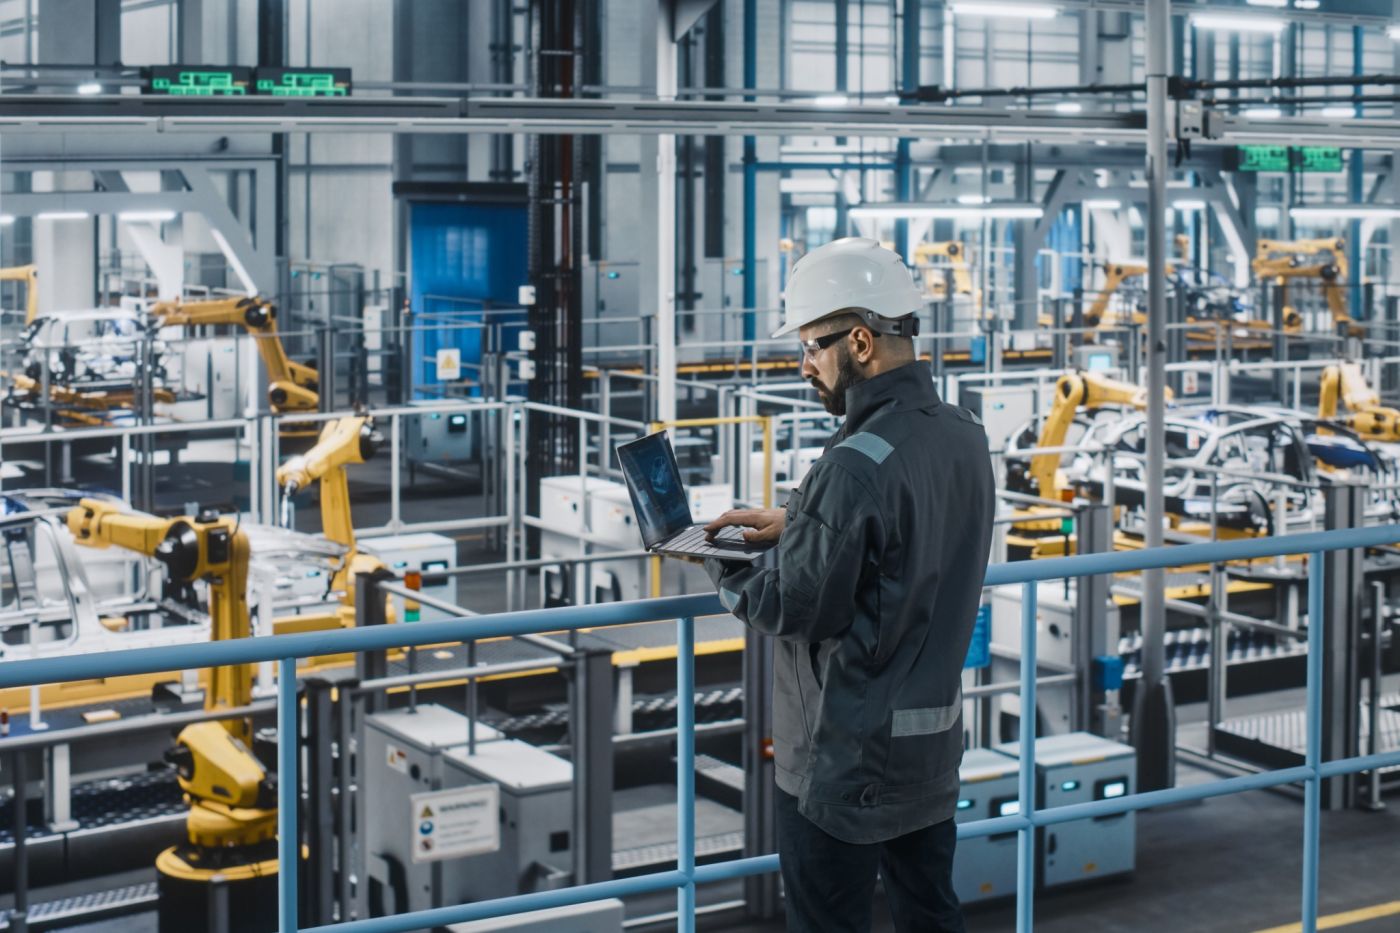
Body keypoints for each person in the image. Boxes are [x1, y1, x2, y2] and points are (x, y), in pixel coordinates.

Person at [702, 237, 995, 933]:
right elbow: (898, 540)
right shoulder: (963, 434)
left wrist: (716, 555)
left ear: (860, 341)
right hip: (928, 750)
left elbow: (792, 604)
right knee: (931, 914)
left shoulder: (849, 467)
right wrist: (801, 519)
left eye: (812, 346)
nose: (805, 366)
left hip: (842, 765)